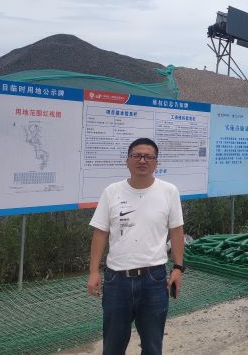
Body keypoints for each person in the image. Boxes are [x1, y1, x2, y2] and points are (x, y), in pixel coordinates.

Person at [87, 137, 185, 355]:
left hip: (154, 279)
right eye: (137, 156)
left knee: (152, 345)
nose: (142, 160)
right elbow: (100, 233)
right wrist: (93, 272)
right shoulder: (112, 191)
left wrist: (178, 268)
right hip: (116, 280)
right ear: (127, 160)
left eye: (148, 157)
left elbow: (177, 231)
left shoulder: (169, 191)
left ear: (156, 162)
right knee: (112, 346)